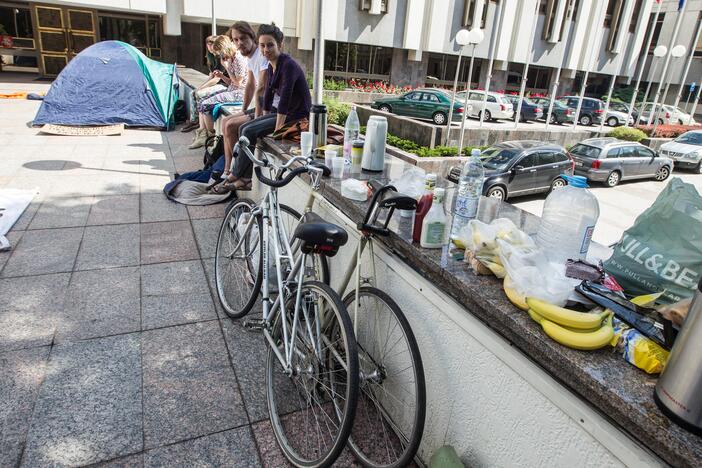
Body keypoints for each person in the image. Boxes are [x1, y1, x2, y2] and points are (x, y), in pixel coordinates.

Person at [218, 23, 311, 191]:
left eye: (270, 45)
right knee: (245, 128)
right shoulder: (271, 65)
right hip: (283, 112)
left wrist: (276, 131)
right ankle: (242, 176)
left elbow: (285, 101)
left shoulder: (288, 65)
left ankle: (242, 178)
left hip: (296, 116)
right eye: (262, 45)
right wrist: (263, 117)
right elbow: (267, 95)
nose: (265, 49)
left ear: (280, 44)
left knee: (248, 130)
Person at [214, 21, 269, 191]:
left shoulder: (261, 55)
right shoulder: (250, 58)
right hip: (261, 106)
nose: (239, 44)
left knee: (233, 125)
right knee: (226, 122)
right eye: (235, 40)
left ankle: (241, 176)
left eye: (243, 38)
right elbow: (250, 85)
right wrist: (244, 110)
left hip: (268, 108)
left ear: (252, 37)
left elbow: (261, 88)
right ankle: (228, 169)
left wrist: (257, 118)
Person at [189, 35, 248, 149]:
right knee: (202, 101)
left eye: (219, 52)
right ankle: (203, 135)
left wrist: (226, 68)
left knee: (206, 105)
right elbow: (231, 82)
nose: (219, 55)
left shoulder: (239, 59)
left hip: (239, 93)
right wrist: (221, 75)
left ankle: (210, 138)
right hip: (232, 89)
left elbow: (238, 83)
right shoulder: (232, 58)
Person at [181, 36, 228, 132]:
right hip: (216, 84)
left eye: (212, 44)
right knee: (193, 92)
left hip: (224, 84)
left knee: (200, 94)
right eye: (208, 44)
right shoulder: (211, 58)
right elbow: (211, 76)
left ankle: (200, 125)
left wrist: (202, 88)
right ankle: (194, 120)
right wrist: (200, 87)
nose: (210, 46)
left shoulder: (221, 58)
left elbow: (216, 79)